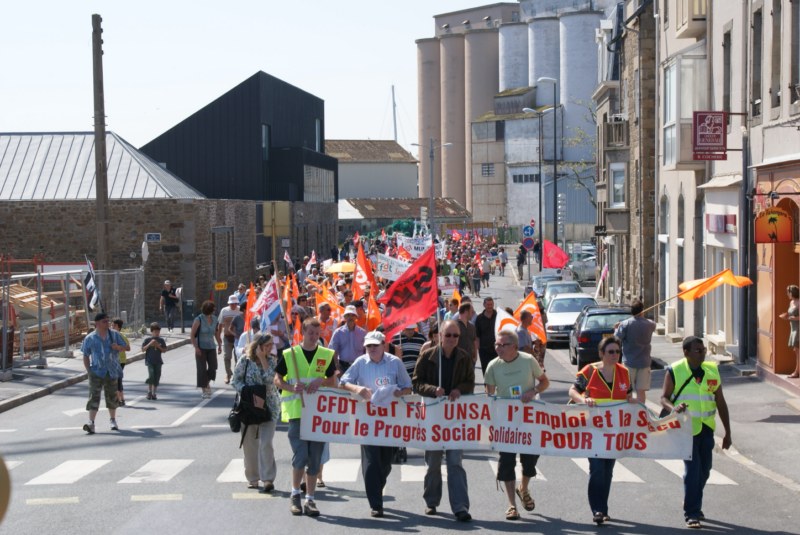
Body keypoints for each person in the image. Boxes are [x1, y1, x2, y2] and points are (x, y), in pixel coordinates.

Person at [660, 336, 732, 530]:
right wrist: (674, 407)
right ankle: (692, 513)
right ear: (686, 352)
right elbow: (664, 398)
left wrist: (728, 432)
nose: (702, 353)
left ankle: (692, 497)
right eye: (698, 350)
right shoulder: (675, 370)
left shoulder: (712, 370)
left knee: (705, 470)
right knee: (692, 471)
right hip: (685, 429)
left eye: (703, 350)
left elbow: (721, 402)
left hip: (707, 428)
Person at [340, 331, 412, 517]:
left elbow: (408, 386)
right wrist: (358, 388)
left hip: (390, 423)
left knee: (386, 463)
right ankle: (376, 503)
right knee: (371, 462)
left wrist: (398, 392)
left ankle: (376, 488)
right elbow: (343, 382)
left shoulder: (395, 362)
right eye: (368, 346)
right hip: (367, 422)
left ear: (383, 345)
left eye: (375, 345)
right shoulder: (360, 362)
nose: (371, 349)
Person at [412, 320, 475, 523]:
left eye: (455, 335)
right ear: (439, 335)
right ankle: (431, 501)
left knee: (455, 462)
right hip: (433, 419)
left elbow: (470, 382)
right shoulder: (427, 356)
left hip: (455, 420)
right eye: (448, 335)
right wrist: (432, 390)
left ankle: (460, 507)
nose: (451, 339)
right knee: (433, 463)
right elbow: (416, 382)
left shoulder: (464, 357)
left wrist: (460, 390)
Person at [484, 329, 550, 521]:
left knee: (529, 461)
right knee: (507, 462)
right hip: (505, 424)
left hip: (528, 422)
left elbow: (545, 382)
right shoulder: (492, 366)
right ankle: (512, 505)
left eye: (503, 345)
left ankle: (524, 487)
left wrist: (533, 391)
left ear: (514, 346)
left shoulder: (528, 360)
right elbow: (490, 396)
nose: (499, 348)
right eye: (497, 344)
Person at [274, 318, 337, 517]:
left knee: (315, 458)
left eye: (317, 334)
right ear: (303, 333)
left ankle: (310, 499)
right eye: (310, 333)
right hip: (297, 412)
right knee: (300, 456)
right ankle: (295, 495)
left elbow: (333, 382)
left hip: (318, 414)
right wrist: (290, 387)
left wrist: (322, 380)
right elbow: (277, 379)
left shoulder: (326, 355)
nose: (314, 337)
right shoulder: (289, 354)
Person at [568, 336, 633, 525]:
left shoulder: (624, 373)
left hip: (615, 433)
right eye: (611, 352)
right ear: (601, 354)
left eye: (617, 352)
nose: (615, 355)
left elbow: (628, 397)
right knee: (597, 469)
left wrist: (636, 403)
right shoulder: (589, 371)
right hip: (594, 432)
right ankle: (597, 510)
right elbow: (572, 391)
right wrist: (583, 400)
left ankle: (603, 509)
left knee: (607, 471)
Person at [233, 334, 280, 493]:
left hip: (269, 407)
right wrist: (246, 391)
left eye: (270, 345)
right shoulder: (245, 361)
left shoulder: (272, 361)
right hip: (249, 408)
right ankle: (253, 478)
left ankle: (268, 479)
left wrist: (263, 358)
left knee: (266, 443)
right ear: (258, 345)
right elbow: (236, 380)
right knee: (250, 445)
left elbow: (269, 380)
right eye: (266, 345)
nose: (269, 348)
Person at [81, 313, 127, 434]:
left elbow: (127, 347)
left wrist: (117, 347)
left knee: (112, 396)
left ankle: (113, 420)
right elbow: (85, 355)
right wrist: (88, 371)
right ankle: (91, 423)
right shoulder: (90, 338)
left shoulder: (114, 334)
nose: (107, 323)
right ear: (97, 323)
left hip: (111, 370)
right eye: (104, 321)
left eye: (108, 321)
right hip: (96, 371)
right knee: (93, 397)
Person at [614, 299, 657, 402]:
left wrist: (616, 328)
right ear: (642, 310)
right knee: (641, 391)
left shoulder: (625, 324)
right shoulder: (650, 324)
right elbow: (653, 324)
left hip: (629, 362)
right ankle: (640, 411)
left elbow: (616, 339)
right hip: (644, 362)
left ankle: (629, 412)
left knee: (627, 391)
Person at [192, 300, 221, 399]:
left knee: (213, 367)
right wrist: (196, 347)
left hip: (211, 347)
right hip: (201, 347)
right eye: (213, 308)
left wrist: (220, 345)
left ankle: (206, 383)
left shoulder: (215, 319)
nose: (215, 309)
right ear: (209, 309)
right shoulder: (198, 319)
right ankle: (204, 389)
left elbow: (216, 333)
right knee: (202, 369)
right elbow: (192, 335)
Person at [328, 305, 366, 373]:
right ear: (345, 317)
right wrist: (337, 368)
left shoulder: (362, 333)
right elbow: (333, 351)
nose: (350, 317)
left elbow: (366, 351)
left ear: (356, 317)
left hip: (359, 367)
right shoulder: (338, 332)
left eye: (353, 315)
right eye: (348, 315)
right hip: (342, 367)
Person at [220, 295, 244, 384]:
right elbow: (220, 324)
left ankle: (237, 375)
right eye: (231, 304)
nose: (233, 305)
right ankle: (228, 374)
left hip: (238, 338)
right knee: (227, 357)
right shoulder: (224, 311)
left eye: (234, 303)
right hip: (227, 337)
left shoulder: (240, 311)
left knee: (237, 357)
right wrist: (218, 337)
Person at [779, 285, 800, 378]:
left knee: (797, 351)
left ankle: (796, 372)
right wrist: (786, 315)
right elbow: (790, 313)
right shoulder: (791, 302)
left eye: (788, 292)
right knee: (796, 350)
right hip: (793, 328)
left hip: (798, 328)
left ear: (792, 293)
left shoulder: (799, 302)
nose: (787, 294)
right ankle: (797, 371)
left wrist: (794, 318)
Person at [142, 322, 167, 400]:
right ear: (151, 331)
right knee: (151, 375)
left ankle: (154, 393)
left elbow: (164, 350)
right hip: (150, 361)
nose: (157, 333)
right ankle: (149, 391)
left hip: (158, 361)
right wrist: (150, 344)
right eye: (155, 332)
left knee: (157, 377)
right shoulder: (147, 340)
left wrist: (158, 345)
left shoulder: (161, 340)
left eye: (158, 332)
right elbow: (143, 349)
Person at [474, 297, 498, 375]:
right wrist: (477, 350)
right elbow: (477, 336)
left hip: (497, 349)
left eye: (491, 304)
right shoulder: (479, 318)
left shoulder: (498, 316)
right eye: (488, 304)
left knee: (497, 371)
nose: (490, 306)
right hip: (484, 350)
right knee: (486, 371)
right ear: (484, 305)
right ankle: (487, 387)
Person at [110, 318, 130, 407]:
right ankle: (121, 399)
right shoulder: (111, 336)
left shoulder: (121, 336)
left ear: (118, 327)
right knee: (117, 380)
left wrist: (118, 347)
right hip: (113, 361)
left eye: (113, 325)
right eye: (111, 325)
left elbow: (128, 348)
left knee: (117, 380)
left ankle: (119, 400)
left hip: (120, 360)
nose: (111, 327)